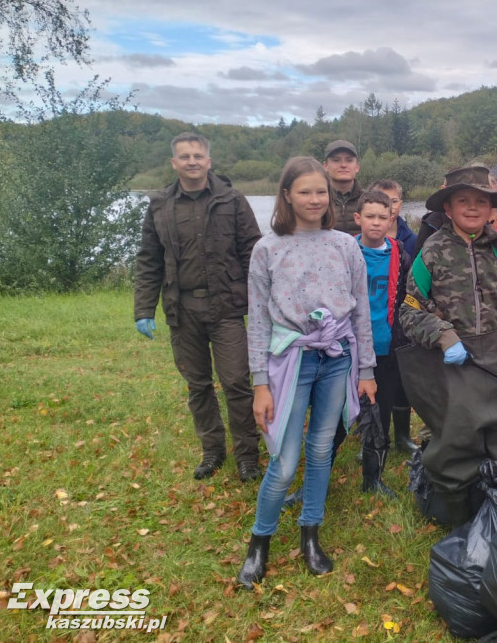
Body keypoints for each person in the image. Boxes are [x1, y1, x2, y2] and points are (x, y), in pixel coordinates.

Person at [237, 157, 376, 588]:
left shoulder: (345, 244)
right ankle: (259, 542)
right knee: (284, 459)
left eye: (321, 192)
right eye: (305, 192)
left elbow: (361, 310)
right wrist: (260, 381)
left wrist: (365, 367)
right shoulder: (267, 248)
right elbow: (258, 318)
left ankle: (309, 534)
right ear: (286, 196)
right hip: (291, 361)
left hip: (337, 358)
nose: (315, 199)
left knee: (321, 450)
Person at [399, 165, 497, 526]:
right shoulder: (432, 251)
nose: (473, 208)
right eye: (464, 200)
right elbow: (408, 311)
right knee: (456, 446)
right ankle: (459, 525)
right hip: (454, 364)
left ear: (492, 208)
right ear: (449, 208)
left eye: (481, 201)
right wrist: (444, 337)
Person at [133, 132, 262, 482]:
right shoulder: (159, 204)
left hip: (226, 308)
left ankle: (247, 455)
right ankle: (212, 451)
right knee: (198, 385)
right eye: (185, 156)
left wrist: (263, 302)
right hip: (182, 308)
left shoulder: (232, 200)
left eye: (198, 155)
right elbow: (148, 260)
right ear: (174, 163)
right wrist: (144, 309)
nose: (192, 161)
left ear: (209, 160)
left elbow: (253, 251)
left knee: (236, 382)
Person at [354, 190, 416, 489]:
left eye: (383, 217)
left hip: (387, 343)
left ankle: (373, 474)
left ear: (391, 218)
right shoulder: (347, 252)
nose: (376, 223)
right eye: (370, 217)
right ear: (358, 218)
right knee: (358, 407)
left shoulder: (400, 255)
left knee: (383, 406)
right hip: (351, 345)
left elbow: (408, 297)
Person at [323, 139, 363, 235]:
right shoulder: (317, 201)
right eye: (336, 160)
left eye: (349, 160)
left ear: (357, 167)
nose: (343, 165)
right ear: (325, 166)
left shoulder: (370, 199)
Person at [369, 179, 417, 258]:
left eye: (394, 201)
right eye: (382, 200)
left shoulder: (414, 241)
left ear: (400, 205)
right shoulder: (362, 240)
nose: (390, 206)